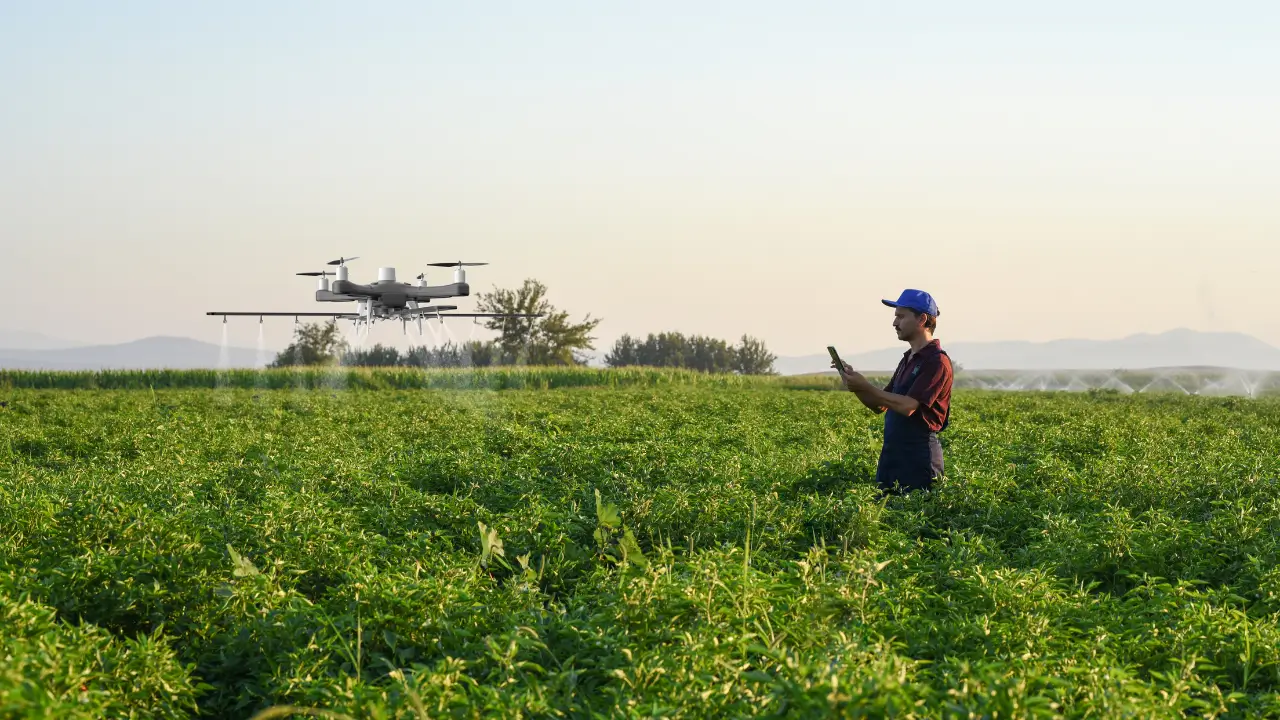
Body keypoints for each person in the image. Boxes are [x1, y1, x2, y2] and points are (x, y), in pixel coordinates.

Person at [832, 289, 954, 494]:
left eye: (901, 316)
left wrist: (866, 386)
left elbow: (908, 406)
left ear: (922, 319)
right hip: (892, 455)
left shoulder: (937, 361)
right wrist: (856, 386)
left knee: (914, 512)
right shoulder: (908, 359)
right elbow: (880, 405)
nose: (894, 323)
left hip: (919, 458)